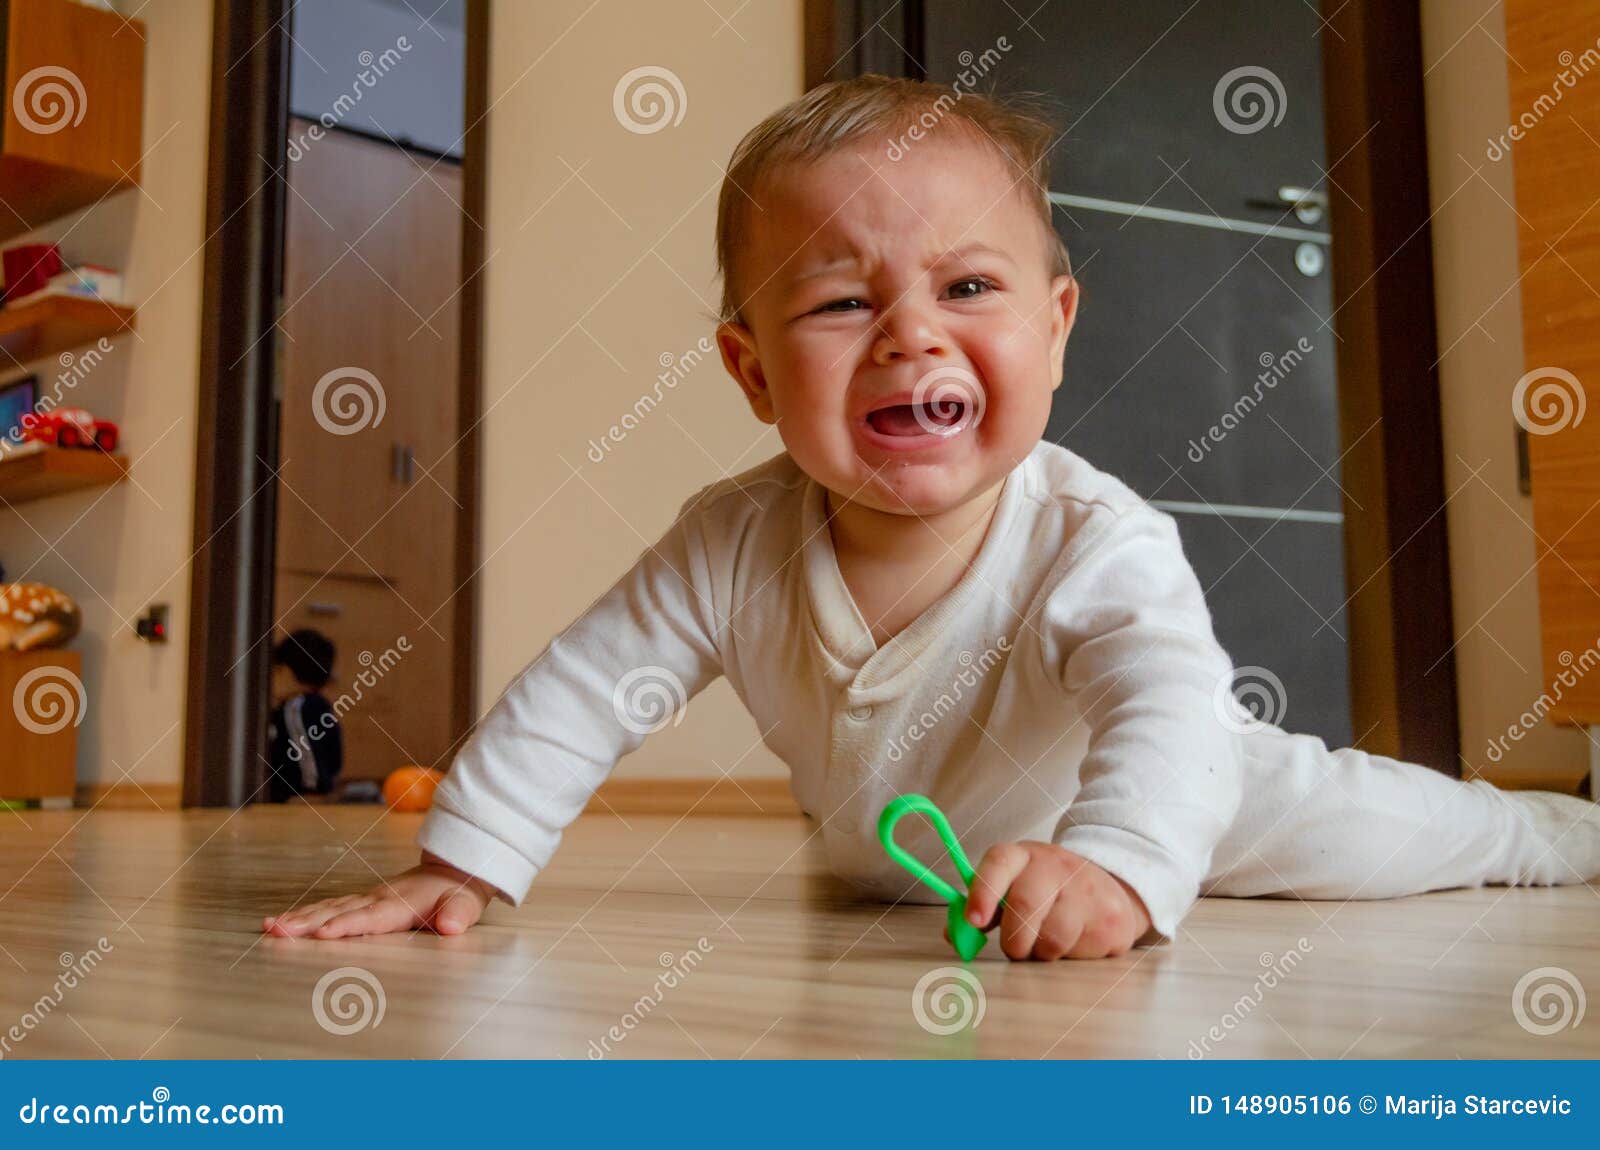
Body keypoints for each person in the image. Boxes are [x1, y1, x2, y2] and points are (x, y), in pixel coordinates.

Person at [263, 76, 1600, 959]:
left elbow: (1164, 707)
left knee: (1398, 834)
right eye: (842, 302)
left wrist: (1120, 870)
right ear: (750, 371)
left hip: (1210, 791)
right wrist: (470, 861)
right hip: (912, 865)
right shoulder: (728, 544)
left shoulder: (1092, 535)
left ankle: (1559, 830)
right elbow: (587, 685)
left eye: (967, 286)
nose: (911, 335)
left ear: (1056, 329)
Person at [264, 628, 342, 803]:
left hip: (301, 796)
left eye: (276, 670)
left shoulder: (295, 708)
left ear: (287, 672)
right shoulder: (319, 705)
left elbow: (306, 754)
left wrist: (312, 793)